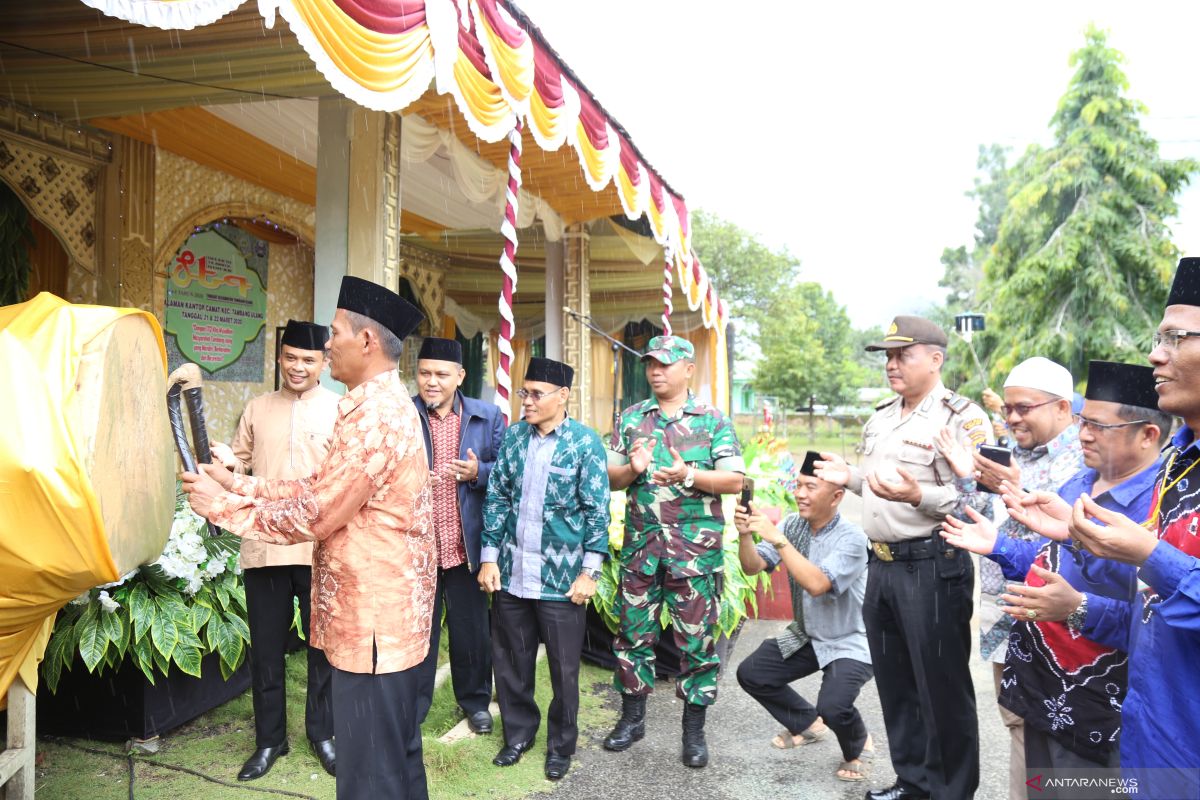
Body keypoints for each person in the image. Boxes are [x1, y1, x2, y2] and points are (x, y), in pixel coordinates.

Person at [183, 276, 435, 800]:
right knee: (396, 767)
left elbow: (318, 512)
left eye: (336, 332)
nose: (326, 345)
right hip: (378, 627)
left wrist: (221, 506)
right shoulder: (373, 406)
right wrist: (239, 483)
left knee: (370, 778)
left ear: (366, 342)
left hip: (372, 630)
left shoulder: (378, 416)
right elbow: (320, 486)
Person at [940, 360, 1169, 781]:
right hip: (1043, 685)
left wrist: (1077, 607)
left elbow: (1158, 614)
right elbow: (1051, 561)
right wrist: (999, 545)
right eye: (1085, 422)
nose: (1083, 434)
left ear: (1148, 435)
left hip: (1102, 703)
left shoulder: (1160, 507)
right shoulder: (1078, 485)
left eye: (1100, 427)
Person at [815, 315, 990, 800]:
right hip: (883, 566)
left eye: (902, 355)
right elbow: (878, 486)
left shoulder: (962, 418)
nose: (891, 365)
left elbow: (978, 498)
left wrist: (920, 496)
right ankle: (913, 783)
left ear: (935, 359)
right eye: (887, 357)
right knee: (898, 685)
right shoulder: (882, 416)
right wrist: (846, 476)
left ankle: (952, 792)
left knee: (942, 688)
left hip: (933, 564)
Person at [1063, 258, 1200, 798]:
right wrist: (1067, 535)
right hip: (1151, 739)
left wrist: (1152, 555)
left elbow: (1164, 573)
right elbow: (1151, 615)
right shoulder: (1178, 459)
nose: (1154, 354)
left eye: (1176, 337)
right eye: (1157, 335)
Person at [603, 335, 744, 768]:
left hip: (694, 554)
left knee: (697, 642)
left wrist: (689, 474)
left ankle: (694, 731)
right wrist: (633, 468)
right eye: (650, 364)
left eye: (664, 364)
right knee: (632, 636)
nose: (655, 371)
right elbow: (610, 478)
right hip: (642, 550)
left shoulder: (712, 421)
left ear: (687, 368)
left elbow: (735, 480)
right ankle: (632, 719)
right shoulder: (631, 419)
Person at [209, 320, 338, 780]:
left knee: (323, 648)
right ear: (279, 358)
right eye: (290, 358)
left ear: (324, 362)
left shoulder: (340, 411)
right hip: (263, 546)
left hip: (320, 548)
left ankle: (323, 733)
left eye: (308, 360)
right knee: (266, 649)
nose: (297, 367)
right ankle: (269, 741)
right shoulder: (257, 407)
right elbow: (241, 462)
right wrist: (229, 460)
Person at [478, 357, 610, 781]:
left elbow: (597, 511)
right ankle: (518, 735)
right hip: (514, 575)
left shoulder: (585, 444)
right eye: (524, 392)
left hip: (562, 581)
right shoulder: (515, 438)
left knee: (563, 668)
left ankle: (561, 745)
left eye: (536, 394)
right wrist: (488, 557)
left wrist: (589, 571)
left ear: (563, 396)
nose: (528, 401)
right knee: (511, 662)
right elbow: (497, 496)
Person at [973, 356, 1082, 800]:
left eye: (1024, 408)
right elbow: (982, 518)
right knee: (1017, 722)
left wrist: (1016, 491)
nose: (1013, 417)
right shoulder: (1006, 455)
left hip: (1061, 622)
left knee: (1063, 735)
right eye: (1008, 408)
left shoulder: (1083, 459)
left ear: (1062, 408)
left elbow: (1074, 538)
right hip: (1003, 614)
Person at [734, 456, 875, 783]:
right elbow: (753, 567)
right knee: (752, 673)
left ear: (837, 497)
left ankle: (857, 746)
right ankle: (807, 724)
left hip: (849, 640)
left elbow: (816, 584)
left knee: (835, 705)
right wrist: (745, 536)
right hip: (807, 634)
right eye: (798, 485)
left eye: (811, 487)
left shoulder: (852, 539)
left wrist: (778, 540)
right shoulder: (792, 525)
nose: (800, 494)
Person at [412, 336, 506, 734]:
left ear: (460, 376)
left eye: (441, 374)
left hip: (466, 545)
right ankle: (412, 708)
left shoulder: (487, 416)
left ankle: (476, 702)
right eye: (424, 373)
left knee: (472, 634)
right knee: (418, 635)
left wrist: (478, 473)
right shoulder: (403, 414)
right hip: (416, 548)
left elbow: (508, 473)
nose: (431, 382)